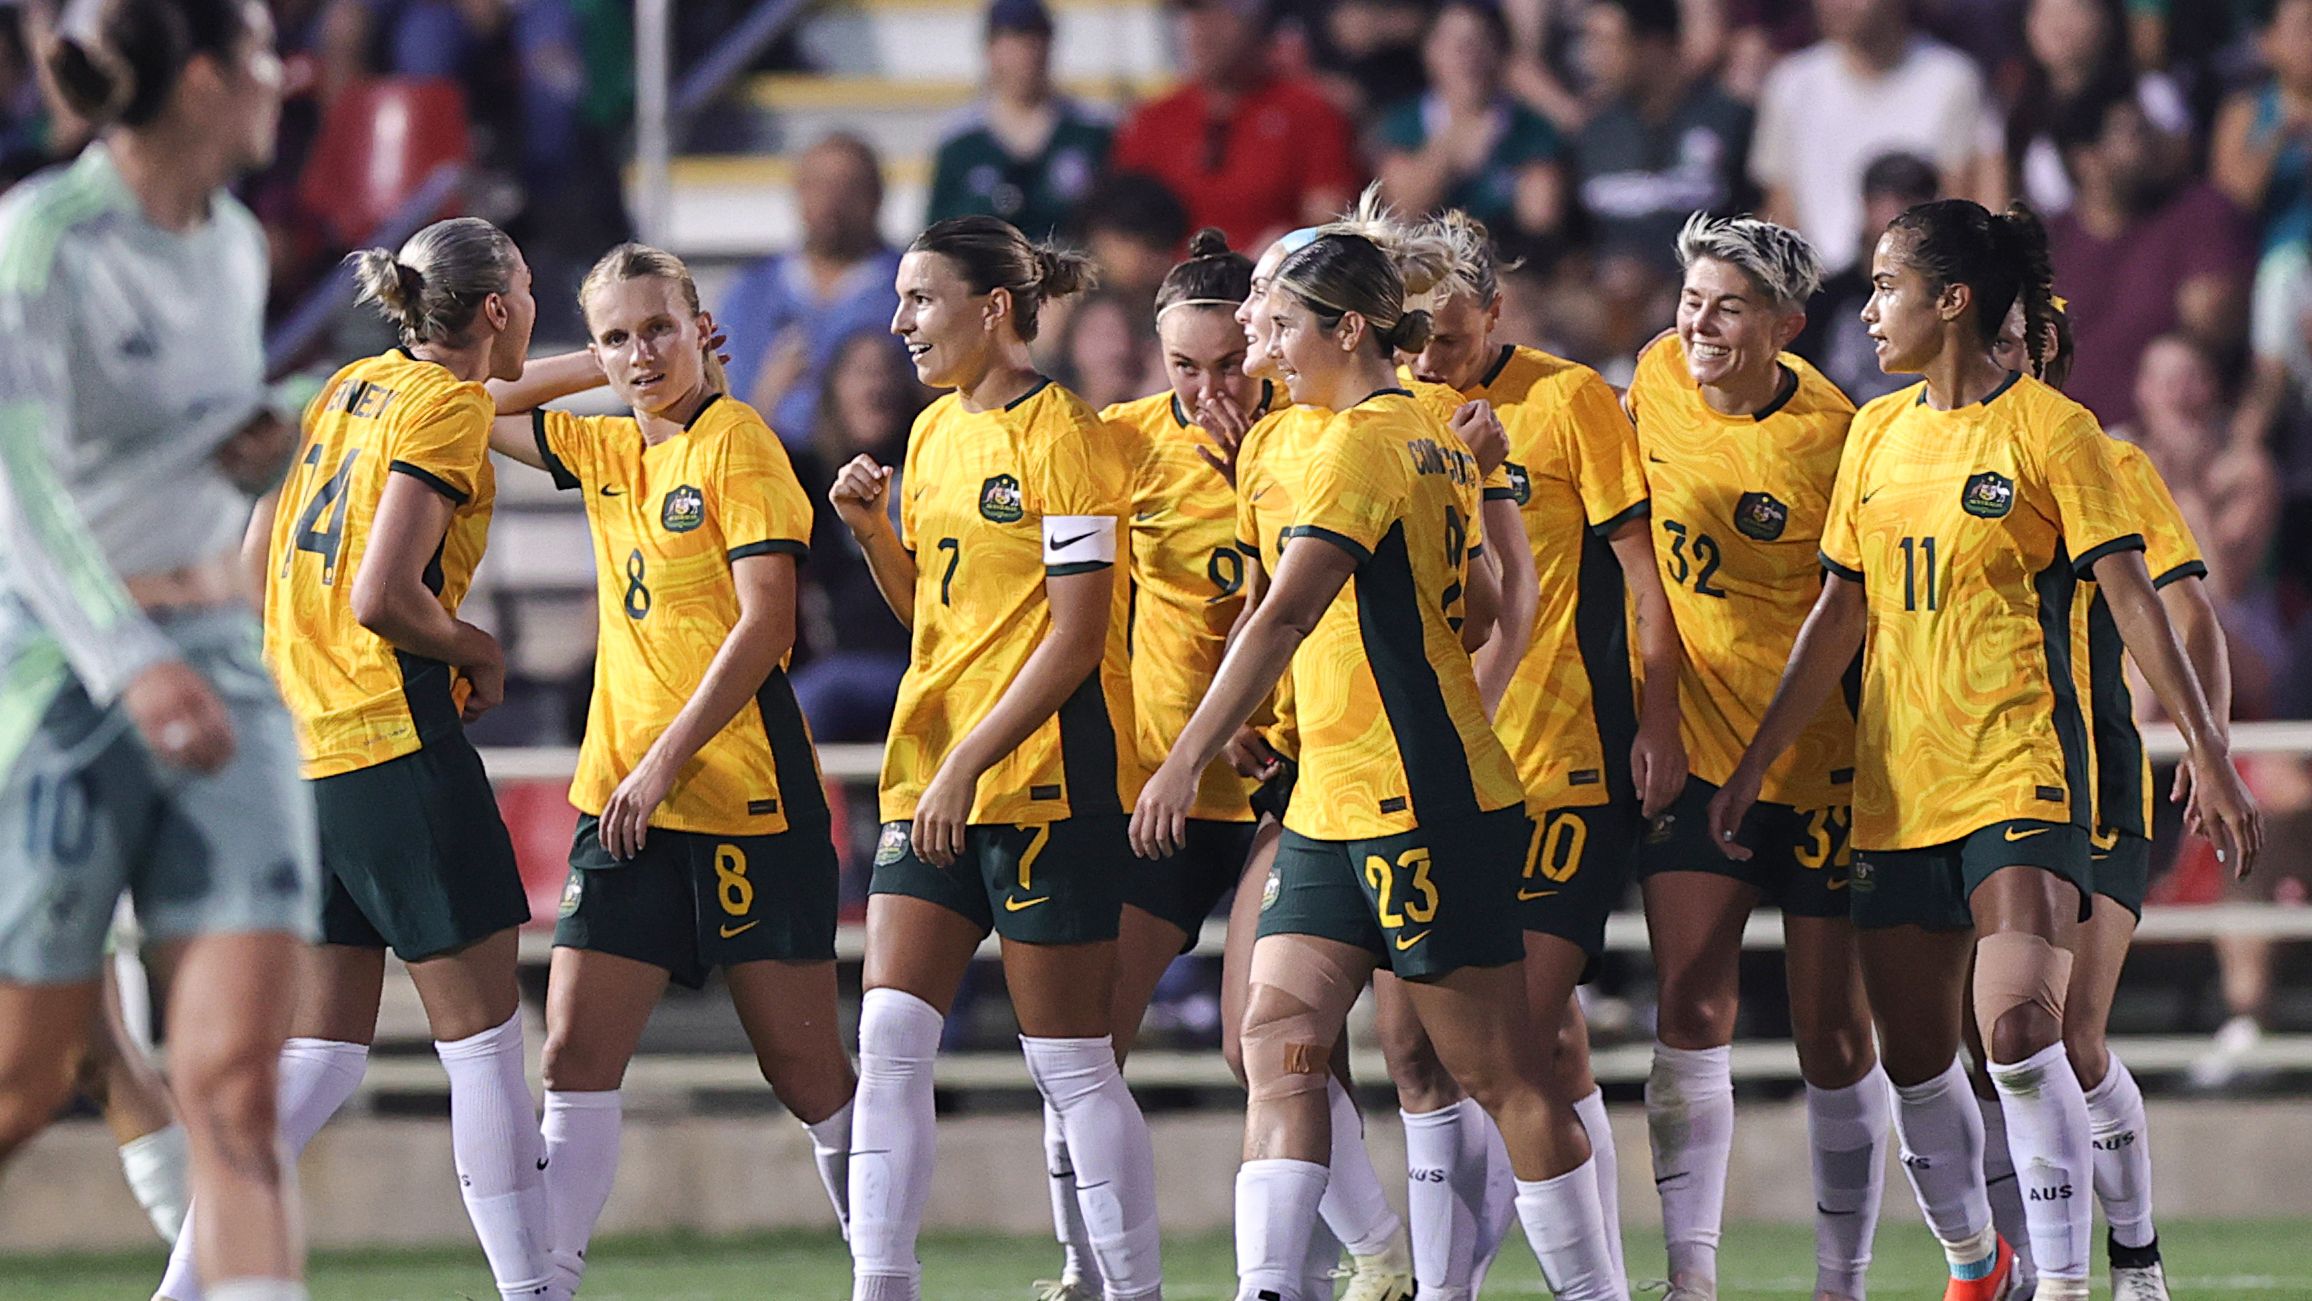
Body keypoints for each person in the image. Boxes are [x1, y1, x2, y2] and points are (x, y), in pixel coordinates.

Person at [1709, 199, 2262, 1301]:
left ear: (1950, 300)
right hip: (1897, 782)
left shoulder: (2058, 435)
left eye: (1882, 286)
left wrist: (2208, 746)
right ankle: (1981, 1261)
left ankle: (2077, 1276)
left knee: (2023, 1029)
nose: (1864, 309)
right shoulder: (1874, 432)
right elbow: (1838, 612)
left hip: (2026, 765)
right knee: (1919, 1062)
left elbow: (2149, 604)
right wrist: (1756, 752)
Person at [1133, 228, 1623, 1301]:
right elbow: (1486, 603)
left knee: (1499, 1072)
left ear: (1345, 327)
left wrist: (1183, 758)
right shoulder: (1382, 436)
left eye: (1278, 314)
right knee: (1276, 1034)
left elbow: (1288, 610)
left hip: (1417, 797)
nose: (1257, 326)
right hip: (1330, 798)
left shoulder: (1365, 440)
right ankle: (1275, 1283)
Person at [163, 217, 553, 1301]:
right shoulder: (446, 411)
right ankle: (535, 1288)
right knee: (480, 1039)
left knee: (319, 1055)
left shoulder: (347, 388)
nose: (534, 304)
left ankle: (182, 1286)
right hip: (392, 737)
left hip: (304, 747)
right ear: (492, 310)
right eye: (524, 289)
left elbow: (254, 564)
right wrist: (476, 645)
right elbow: (385, 593)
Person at [0, 3, 319, 1298]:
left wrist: (255, 449)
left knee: (237, 1084)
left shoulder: (237, 247)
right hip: (68, 675)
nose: (281, 75)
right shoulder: (42, 241)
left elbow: (155, 462)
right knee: (29, 1078)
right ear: (197, 79)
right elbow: (16, 486)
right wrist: (131, 656)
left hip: (223, 665)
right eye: (256, 52)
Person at [484, 243, 859, 1295]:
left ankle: (882, 1262)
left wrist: (661, 761)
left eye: (659, 327)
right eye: (616, 334)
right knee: (571, 1057)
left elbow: (767, 626)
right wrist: (590, 369)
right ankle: (546, 1282)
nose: (639, 351)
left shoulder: (740, 443)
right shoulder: (604, 450)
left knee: (806, 1071)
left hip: (744, 800)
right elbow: (460, 400)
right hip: (625, 803)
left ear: (704, 328)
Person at [830, 216, 1162, 1301]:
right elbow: (930, 608)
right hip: (931, 771)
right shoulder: (930, 436)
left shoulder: (1063, 433)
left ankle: (1132, 1284)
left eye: (920, 299)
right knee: (886, 1038)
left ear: (992, 307)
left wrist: (971, 759)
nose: (900, 323)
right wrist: (878, 536)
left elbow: (1075, 634)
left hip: (1040, 779)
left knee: (1067, 1063)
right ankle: (881, 1282)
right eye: (899, 299)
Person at [1378, 209, 1678, 1301]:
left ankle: (1487, 1284)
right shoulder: (1384, 411)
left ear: (1493, 314)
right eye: (1408, 339)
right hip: (1426, 768)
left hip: (1558, 758)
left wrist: (1659, 717)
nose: (1426, 361)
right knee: (1421, 1050)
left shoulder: (1568, 399)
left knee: (1505, 1038)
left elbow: (1641, 576)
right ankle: (1476, 1276)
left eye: (1447, 338)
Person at [1624, 214, 1890, 1301]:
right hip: (1694, 752)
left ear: (1782, 325)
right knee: (1687, 1007)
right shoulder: (1651, 374)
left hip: (1823, 765)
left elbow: (1857, 613)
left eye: (1726, 306)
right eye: (1690, 298)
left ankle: (1842, 1279)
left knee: (1832, 1034)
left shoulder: (1834, 436)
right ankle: (1690, 1274)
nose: (1698, 322)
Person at [1985, 302, 2227, 1301]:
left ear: (2040, 347)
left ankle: (2124, 1258)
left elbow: (2182, 606)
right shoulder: (1911, 441)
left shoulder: (2105, 464)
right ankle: (2012, 1261)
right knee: (1996, 1040)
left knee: (2065, 1036)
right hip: (1966, 782)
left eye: (2009, 334)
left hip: (2090, 785)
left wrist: (2204, 742)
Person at [2047, 80, 2253, 427]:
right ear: (2087, 160)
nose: (2155, 142)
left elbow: (2212, 326)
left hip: (2170, 446)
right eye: (2135, 133)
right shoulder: (2048, 242)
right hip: (2062, 449)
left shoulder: (2201, 213)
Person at [1748, 0, 1996, 274]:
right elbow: (1781, 213)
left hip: (1923, 286)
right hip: (1821, 293)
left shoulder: (1953, 80)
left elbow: (1971, 202)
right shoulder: (1791, 85)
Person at [1109, 0, 1361, 247]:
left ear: (1255, 24)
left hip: (1271, 278)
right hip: (1173, 281)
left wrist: (1281, 251)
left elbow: (1328, 220)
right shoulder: (1154, 118)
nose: (1201, 30)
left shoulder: (1308, 112)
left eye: (1217, 15)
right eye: (1192, 16)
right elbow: (1121, 224)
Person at [790, 330, 929, 745]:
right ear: (833, 391)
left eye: (887, 371)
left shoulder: (935, 459)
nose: (877, 383)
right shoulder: (809, 473)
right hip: (844, 665)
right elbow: (743, 472)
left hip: (931, 659)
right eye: (861, 372)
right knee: (799, 706)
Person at [717, 133, 902, 444]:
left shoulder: (913, 288)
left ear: (877, 196)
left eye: (849, 186)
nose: (832, 201)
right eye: (818, 185)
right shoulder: (750, 294)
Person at [1571, 0, 1753, 278]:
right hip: (1612, 306)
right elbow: (1571, 245)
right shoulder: (1593, 134)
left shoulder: (1731, 121)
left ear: (1653, 47)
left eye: (1607, 43)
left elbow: (1762, 219)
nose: (1593, 57)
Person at [1372, 0, 1566, 246]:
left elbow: (1540, 221)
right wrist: (1449, 145)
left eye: (1480, 41)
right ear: (1429, 51)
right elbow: (1403, 210)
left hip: (1508, 266)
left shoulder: (1531, 127)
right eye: (1455, 44)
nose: (1468, 55)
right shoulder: (1403, 124)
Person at [925, 0, 1112, 240]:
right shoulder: (960, 143)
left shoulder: (1090, 133)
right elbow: (936, 234)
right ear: (990, 49)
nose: (1025, 53)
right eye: (1012, 40)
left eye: (1034, 39)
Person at [1998, 0, 2192, 217]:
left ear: (2108, 17)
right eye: (2044, 12)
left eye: (2075, 8)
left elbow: (2183, 174)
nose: (2058, 24)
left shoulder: (2150, 93)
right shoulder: (2015, 110)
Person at [1793, 150, 1941, 404]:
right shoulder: (1823, 300)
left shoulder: (1950, 299)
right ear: (1866, 204)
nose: (1901, 214)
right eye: (1888, 199)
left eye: (1912, 201)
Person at [2212, 0, 2312, 256]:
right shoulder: (2244, 112)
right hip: (2268, 264)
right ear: (2267, 41)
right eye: (2308, 26)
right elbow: (2227, 207)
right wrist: (2277, 139)